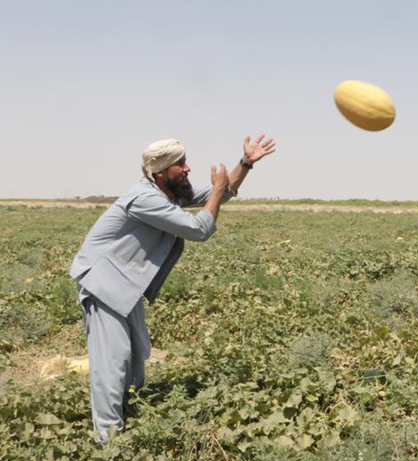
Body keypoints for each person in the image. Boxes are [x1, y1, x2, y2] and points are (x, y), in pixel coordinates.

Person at [70, 134, 276, 442]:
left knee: (136, 353)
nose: (188, 168)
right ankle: (108, 443)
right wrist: (219, 189)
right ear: (161, 172)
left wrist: (245, 163)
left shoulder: (168, 193)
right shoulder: (146, 198)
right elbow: (198, 229)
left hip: (124, 285)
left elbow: (220, 194)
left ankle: (129, 411)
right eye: (180, 164)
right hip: (102, 283)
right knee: (111, 363)